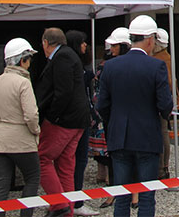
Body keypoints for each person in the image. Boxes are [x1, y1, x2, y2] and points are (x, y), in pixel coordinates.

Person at [96, 15, 172, 217]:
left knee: (121, 195)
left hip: (119, 136)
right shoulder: (156, 66)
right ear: (150, 40)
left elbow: (101, 105)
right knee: (146, 196)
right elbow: (166, 105)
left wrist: (114, 121)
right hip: (147, 137)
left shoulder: (111, 67)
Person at [0, 38, 41, 217]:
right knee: (32, 178)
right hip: (21, 141)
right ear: (23, 60)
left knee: (1, 182)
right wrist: (35, 130)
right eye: (29, 58)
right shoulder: (23, 82)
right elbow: (31, 115)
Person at [35, 27, 92, 217]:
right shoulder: (69, 55)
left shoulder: (62, 57)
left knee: (42, 158)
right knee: (65, 164)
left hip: (64, 120)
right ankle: (67, 210)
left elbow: (63, 92)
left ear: (45, 43)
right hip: (77, 120)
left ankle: (59, 205)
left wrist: (52, 117)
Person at [89, 27, 131, 210]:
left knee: (131, 155)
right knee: (114, 156)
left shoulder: (132, 64)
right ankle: (115, 191)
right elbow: (99, 94)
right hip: (112, 117)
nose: (111, 49)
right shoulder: (105, 66)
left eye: (115, 46)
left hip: (128, 116)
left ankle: (133, 192)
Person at [65, 30, 99, 217]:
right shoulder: (76, 67)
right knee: (78, 160)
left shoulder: (73, 65)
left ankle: (70, 200)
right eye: (83, 42)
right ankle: (75, 201)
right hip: (78, 120)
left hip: (79, 118)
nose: (86, 46)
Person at [153, 27, 179, 178]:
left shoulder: (159, 59)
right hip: (166, 101)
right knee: (164, 132)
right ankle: (164, 167)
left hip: (159, 102)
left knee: (162, 133)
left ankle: (161, 168)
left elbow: (169, 82)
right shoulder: (167, 56)